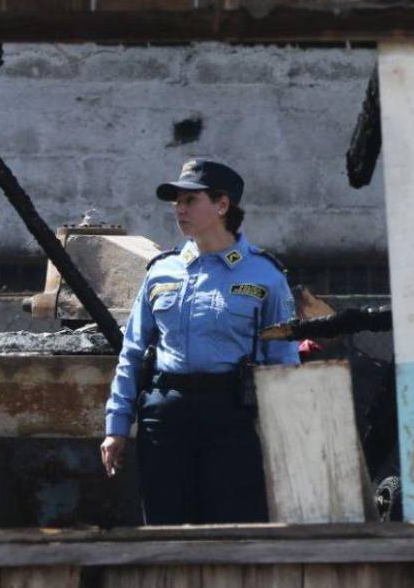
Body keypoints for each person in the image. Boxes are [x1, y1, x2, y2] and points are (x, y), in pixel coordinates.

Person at [99, 158, 299, 524]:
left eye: (191, 200)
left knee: (234, 528)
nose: (180, 208)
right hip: (165, 415)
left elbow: (283, 360)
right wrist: (116, 427)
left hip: (231, 416)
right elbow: (132, 352)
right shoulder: (162, 271)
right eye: (177, 200)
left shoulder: (265, 275)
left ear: (222, 206)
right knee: (165, 527)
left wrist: (286, 436)